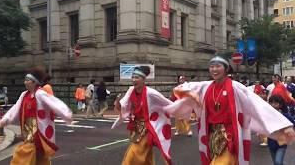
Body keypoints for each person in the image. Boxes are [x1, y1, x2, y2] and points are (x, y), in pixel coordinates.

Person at [164, 56, 295, 165]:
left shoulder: (235, 87)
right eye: (212, 66)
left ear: (226, 69)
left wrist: (283, 125)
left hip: (229, 136)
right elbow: (185, 88)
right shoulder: (206, 86)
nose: (214, 69)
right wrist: (184, 96)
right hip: (211, 136)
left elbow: (258, 105)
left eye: (218, 66)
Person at [0, 66, 72, 165]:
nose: (25, 82)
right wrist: (5, 120)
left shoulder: (40, 94)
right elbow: (15, 108)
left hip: (37, 132)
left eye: (27, 80)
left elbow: (54, 103)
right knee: (40, 158)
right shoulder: (24, 95)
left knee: (23, 155)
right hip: (28, 130)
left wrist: (66, 114)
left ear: (34, 82)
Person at [112, 66, 172, 165]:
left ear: (143, 79)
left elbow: (167, 103)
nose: (134, 80)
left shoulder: (151, 93)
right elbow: (124, 107)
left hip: (147, 129)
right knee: (145, 155)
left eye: (137, 77)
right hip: (136, 128)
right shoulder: (131, 90)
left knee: (134, 154)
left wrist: (183, 108)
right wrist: (118, 103)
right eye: (133, 77)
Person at [268, 95, 295, 165]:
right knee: (275, 162)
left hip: (282, 142)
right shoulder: (267, 115)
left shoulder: (284, 115)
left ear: (281, 104)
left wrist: (289, 131)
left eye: (275, 103)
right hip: (271, 142)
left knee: (278, 162)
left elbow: (293, 122)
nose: (273, 105)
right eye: (271, 103)